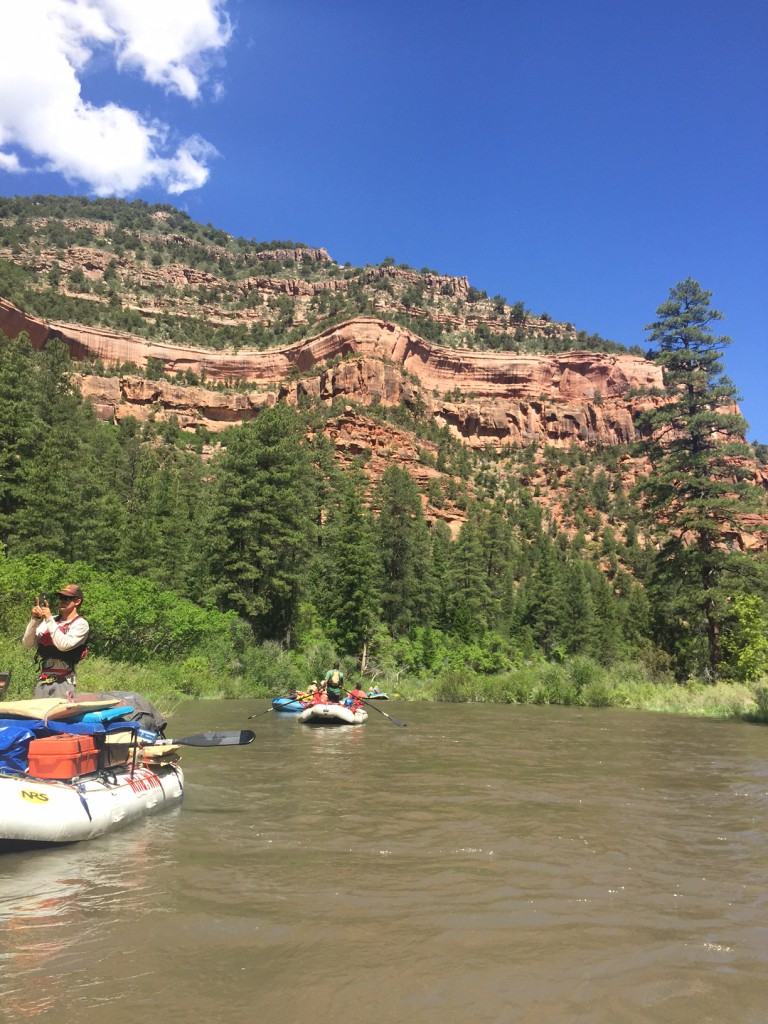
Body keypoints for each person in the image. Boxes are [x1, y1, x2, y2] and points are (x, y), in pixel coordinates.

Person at [23, 585, 90, 699]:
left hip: (64, 682)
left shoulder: (81, 624)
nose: (62, 601)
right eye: (61, 598)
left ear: (77, 601)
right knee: (38, 716)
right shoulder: (51, 620)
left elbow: (63, 645)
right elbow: (28, 643)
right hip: (43, 680)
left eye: (67, 598)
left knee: (59, 717)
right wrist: (35, 619)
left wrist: (48, 619)